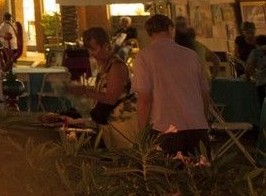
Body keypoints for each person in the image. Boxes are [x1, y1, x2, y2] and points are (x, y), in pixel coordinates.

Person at [133, 14, 210, 156]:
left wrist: (142, 133)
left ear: (150, 34)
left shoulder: (144, 57)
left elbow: (145, 98)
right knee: (199, 176)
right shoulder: (191, 55)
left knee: (167, 176)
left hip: (165, 127)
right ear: (170, 29)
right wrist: (203, 119)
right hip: (197, 126)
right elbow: (204, 93)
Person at [67, 26, 134, 147]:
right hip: (108, 127)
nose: (91, 54)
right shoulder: (104, 66)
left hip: (121, 130)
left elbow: (110, 98)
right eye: (89, 50)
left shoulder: (116, 67)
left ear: (106, 46)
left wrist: (84, 91)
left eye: (94, 49)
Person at [243, 35, 266, 102]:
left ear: (256, 44)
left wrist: (248, 78)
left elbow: (248, 67)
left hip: (262, 83)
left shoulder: (256, 52)